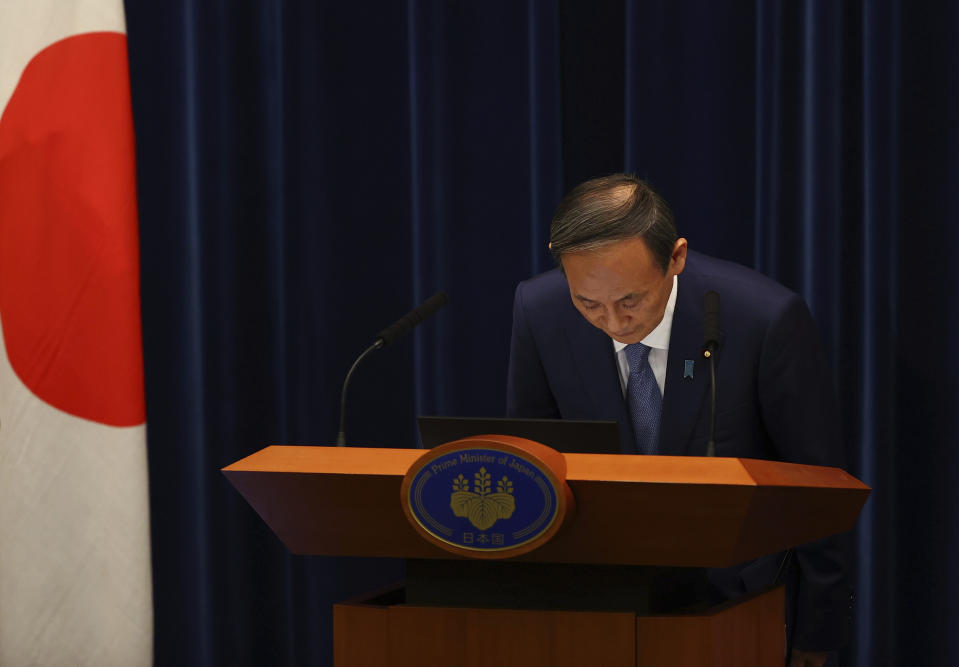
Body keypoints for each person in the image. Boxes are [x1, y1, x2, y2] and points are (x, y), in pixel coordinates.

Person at [506, 174, 850, 667]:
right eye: (588, 303)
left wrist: (817, 637)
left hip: (737, 604)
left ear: (676, 258)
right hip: (596, 609)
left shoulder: (765, 320)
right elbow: (532, 461)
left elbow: (819, 489)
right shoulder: (539, 311)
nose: (614, 323)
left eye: (630, 300)